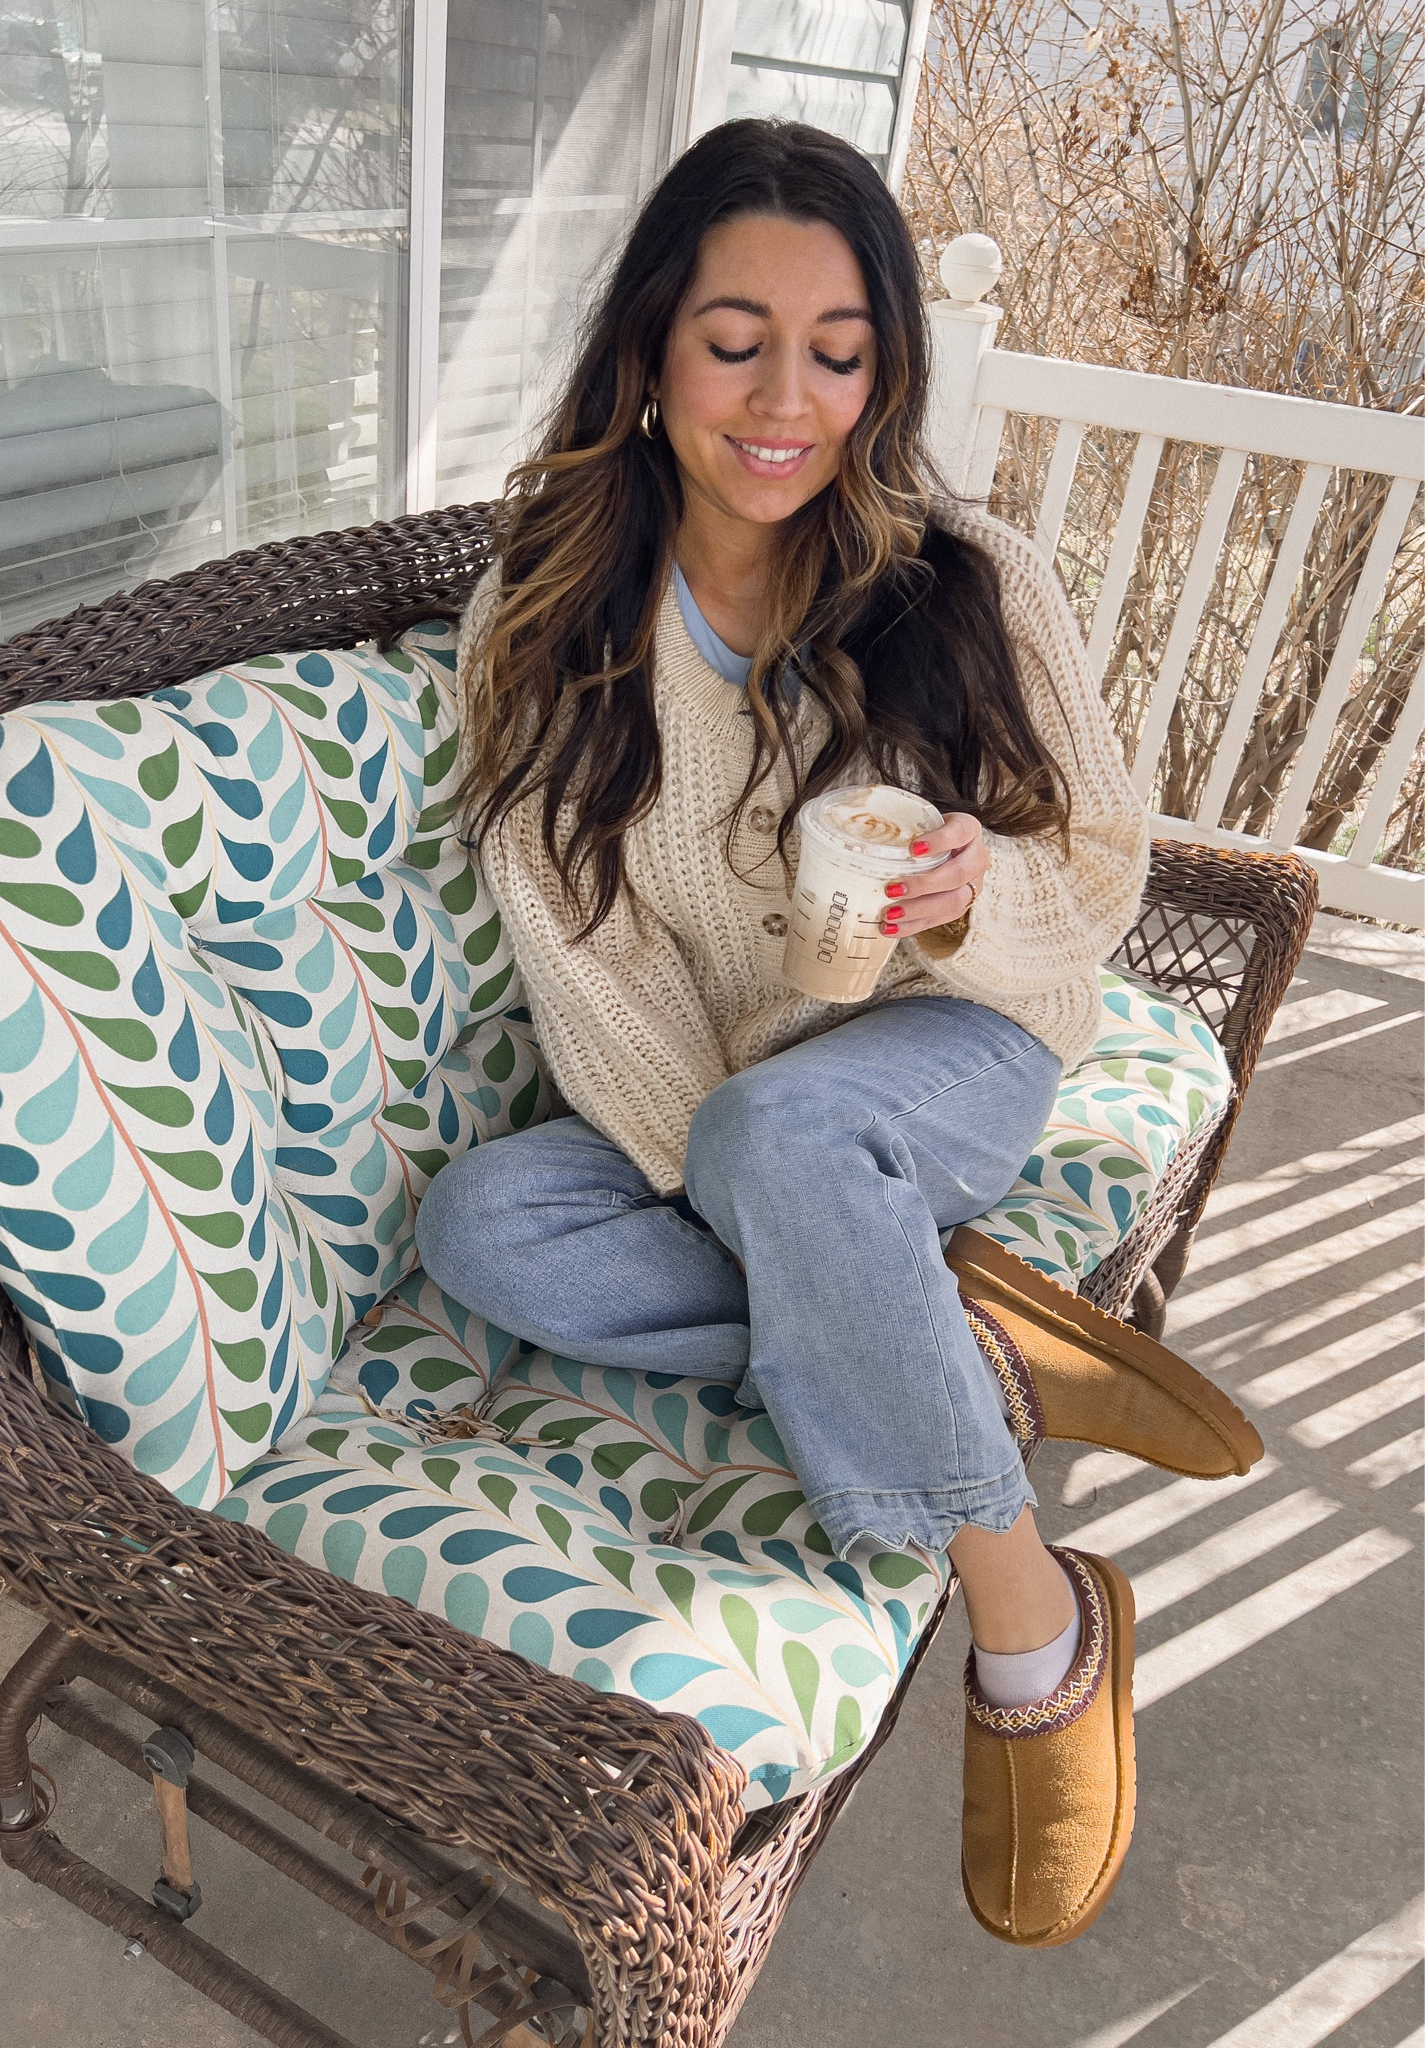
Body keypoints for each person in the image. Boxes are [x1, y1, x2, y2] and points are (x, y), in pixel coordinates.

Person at [414, 119, 1260, 1948]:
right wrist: (764, 1173)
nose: (786, 395)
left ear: (884, 369)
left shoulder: (968, 578)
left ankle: (1030, 1614)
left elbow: (1098, 863)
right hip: (725, 1097)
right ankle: (956, 1344)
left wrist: (973, 896)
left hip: (955, 1045)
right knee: (484, 1227)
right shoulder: (546, 617)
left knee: (787, 1145)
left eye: (841, 346)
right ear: (651, 350)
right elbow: (583, 958)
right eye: (736, 338)